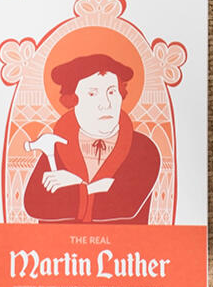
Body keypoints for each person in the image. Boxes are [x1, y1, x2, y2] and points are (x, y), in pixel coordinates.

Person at [23, 54, 160, 224]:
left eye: (112, 92)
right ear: (73, 99)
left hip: (124, 241)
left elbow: (126, 205)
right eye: (92, 94)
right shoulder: (56, 146)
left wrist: (76, 184)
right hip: (57, 242)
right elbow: (35, 205)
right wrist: (99, 189)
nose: (106, 104)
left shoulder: (143, 149)